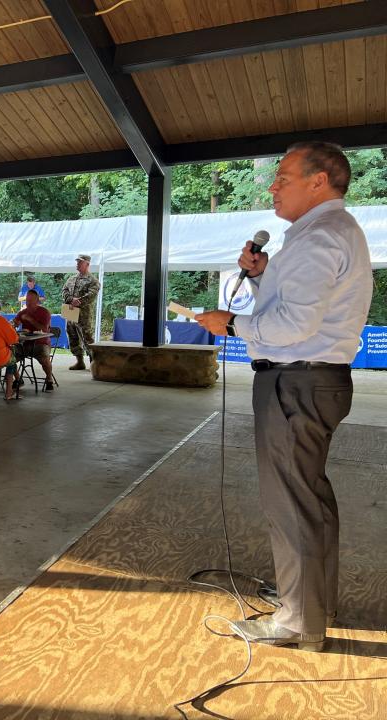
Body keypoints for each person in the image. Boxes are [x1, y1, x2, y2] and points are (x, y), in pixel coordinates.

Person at [197, 142, 372, 652]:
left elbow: (294, 326)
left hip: (296, 382)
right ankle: (313, 601)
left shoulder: (319, 238)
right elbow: (294, 310)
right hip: (312, 379)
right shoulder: (331, 232)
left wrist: (228, 322)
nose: (272, 186)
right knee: (308, 497)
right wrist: (260, 278)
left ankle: (298, 621)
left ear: (319, 182)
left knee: (291, 501)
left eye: (284, 177)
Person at [60, 254, 101, 370]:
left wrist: (78, 301)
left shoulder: (93, 281)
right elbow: (64, 290)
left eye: (80, 262)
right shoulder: (71, 278)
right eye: (77, 262)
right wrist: (70, 299)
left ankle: (94, 363)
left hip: (83, 315)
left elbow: (91, 295)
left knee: (87, 337)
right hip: (70, 312)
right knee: (72, 336)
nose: (77, 264)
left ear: (87, 264)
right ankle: (79, 361)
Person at [14, 289, 56, 392]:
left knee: (45, 358)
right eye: (27, 301)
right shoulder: (22, 312)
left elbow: (45, 330)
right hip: (25, 343)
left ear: (37, 301)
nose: (28, 303)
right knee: (9, 357)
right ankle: (18, 379)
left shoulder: (44, 312)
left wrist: (30, 319)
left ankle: (49, 379)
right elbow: (15, 323)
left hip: (41, 342)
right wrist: (15, 323)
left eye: (30, 301)